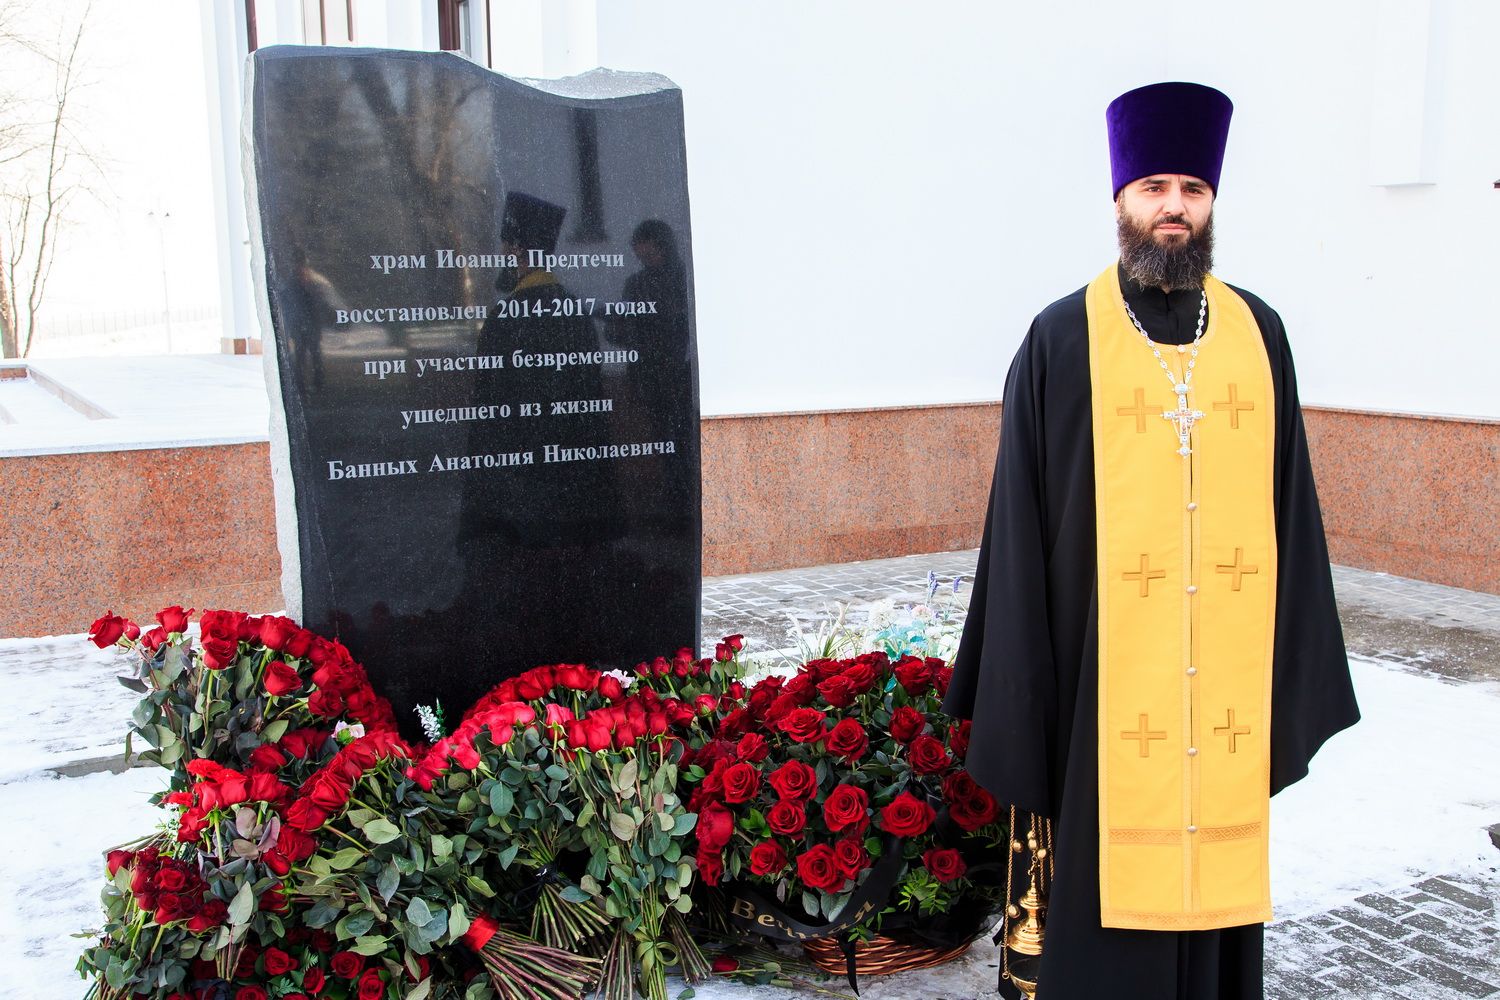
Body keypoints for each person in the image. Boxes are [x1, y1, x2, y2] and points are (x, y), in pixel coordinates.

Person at [942, 82, 1360, 1000]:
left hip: (1224, 701)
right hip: (1101, 698)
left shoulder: (1258, 334)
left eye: (1194, 189)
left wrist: (1294, 677)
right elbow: (1017, 529)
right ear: (1120, 201)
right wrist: (1028, 697)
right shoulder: (1061, 339)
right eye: (1156, 186)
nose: (1175, 205)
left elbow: (1294, 511)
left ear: (1212, 203)